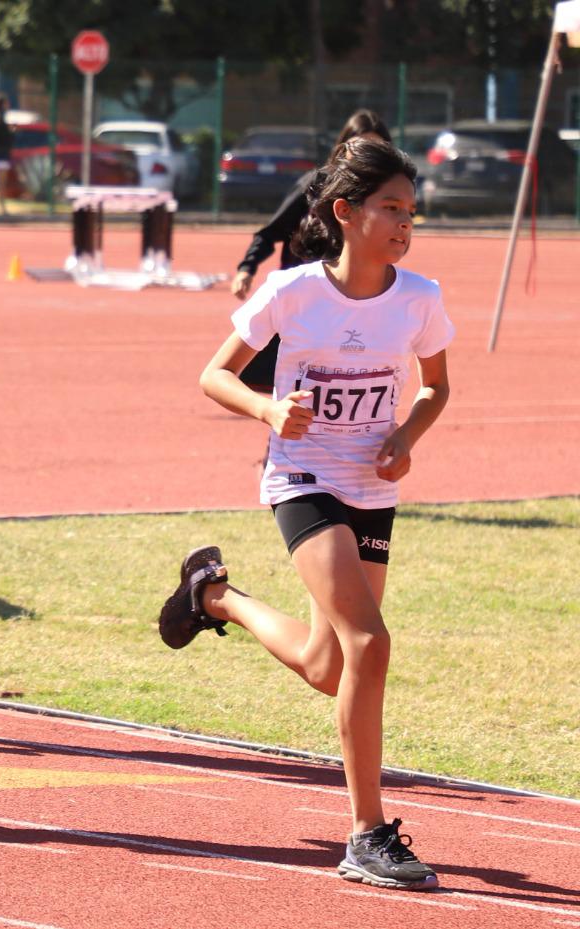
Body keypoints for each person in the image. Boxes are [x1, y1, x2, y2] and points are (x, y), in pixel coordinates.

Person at [160, 138, 451, 891]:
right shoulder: (293, 290)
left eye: (411, 211)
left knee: (330, 667)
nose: (404, 223)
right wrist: (267, 408)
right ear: (345, 212)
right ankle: (366, 834)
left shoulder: (419, 297)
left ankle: (213, 595)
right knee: (369, 642)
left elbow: (435, 387)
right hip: (301, 478)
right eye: (390, 208)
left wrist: (406, 436)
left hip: (371, 487)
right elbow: (214, 374)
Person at [232, 110, 391, 391]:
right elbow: (271, 231)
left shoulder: (384, 195)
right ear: (343, 148)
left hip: (346, 298)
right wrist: (247, 268)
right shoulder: (317, 183)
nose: (367, 155)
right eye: (360, 146)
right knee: (276, 376)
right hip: (303, 295)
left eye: (376, 148)